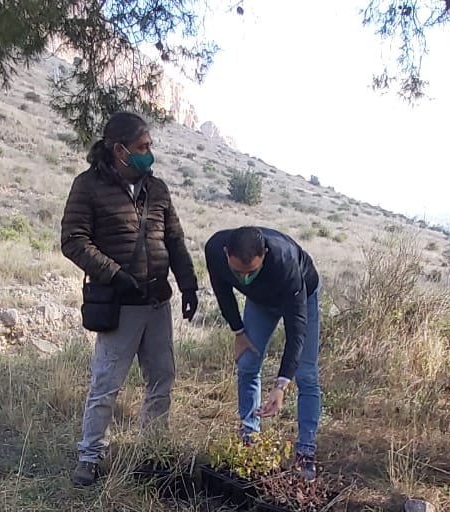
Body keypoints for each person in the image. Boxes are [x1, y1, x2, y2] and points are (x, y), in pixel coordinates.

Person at [58, 111, 199, 487]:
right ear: (119, 150)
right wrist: (114, 275)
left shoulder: (158, 189)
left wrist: (188, 285)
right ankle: (90, 456)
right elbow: (73, 240)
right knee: (106, 383)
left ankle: (152, 454)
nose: (149, 153)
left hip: (156, 302)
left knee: (162, 379)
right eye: (143, 147)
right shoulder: (88, 186)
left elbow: (175, 241)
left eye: (150, 146)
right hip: (119, 304)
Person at [205, 226, 321, 478]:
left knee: (306, 374)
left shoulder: (285, 261)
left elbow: (297, 329)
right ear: (227, 254)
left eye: (252, 272)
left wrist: (281, 385)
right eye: (239, 273)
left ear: (265, 255)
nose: (245, 278)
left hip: (301, 296)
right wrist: (238, 332)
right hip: (260, 302)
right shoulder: (215, 249)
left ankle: (306, 452)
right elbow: (222, 291)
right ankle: (249, 435)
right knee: (247, 363)